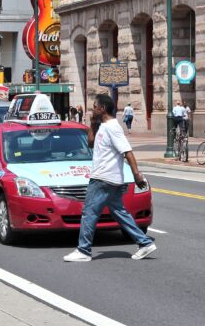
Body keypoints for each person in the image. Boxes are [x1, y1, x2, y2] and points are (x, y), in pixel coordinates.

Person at [64, 94, 156, 262]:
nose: (93, 110)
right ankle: (144, 243)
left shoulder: (113, 127)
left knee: (89, 212)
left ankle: (83, 250)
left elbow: (127, 151)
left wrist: (136, 174)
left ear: (103, 109)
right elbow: (90, 143)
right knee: (119, 212)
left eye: (94, 107)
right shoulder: (103, 127)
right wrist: (92, 123)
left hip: (103, 177)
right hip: (109, 178)